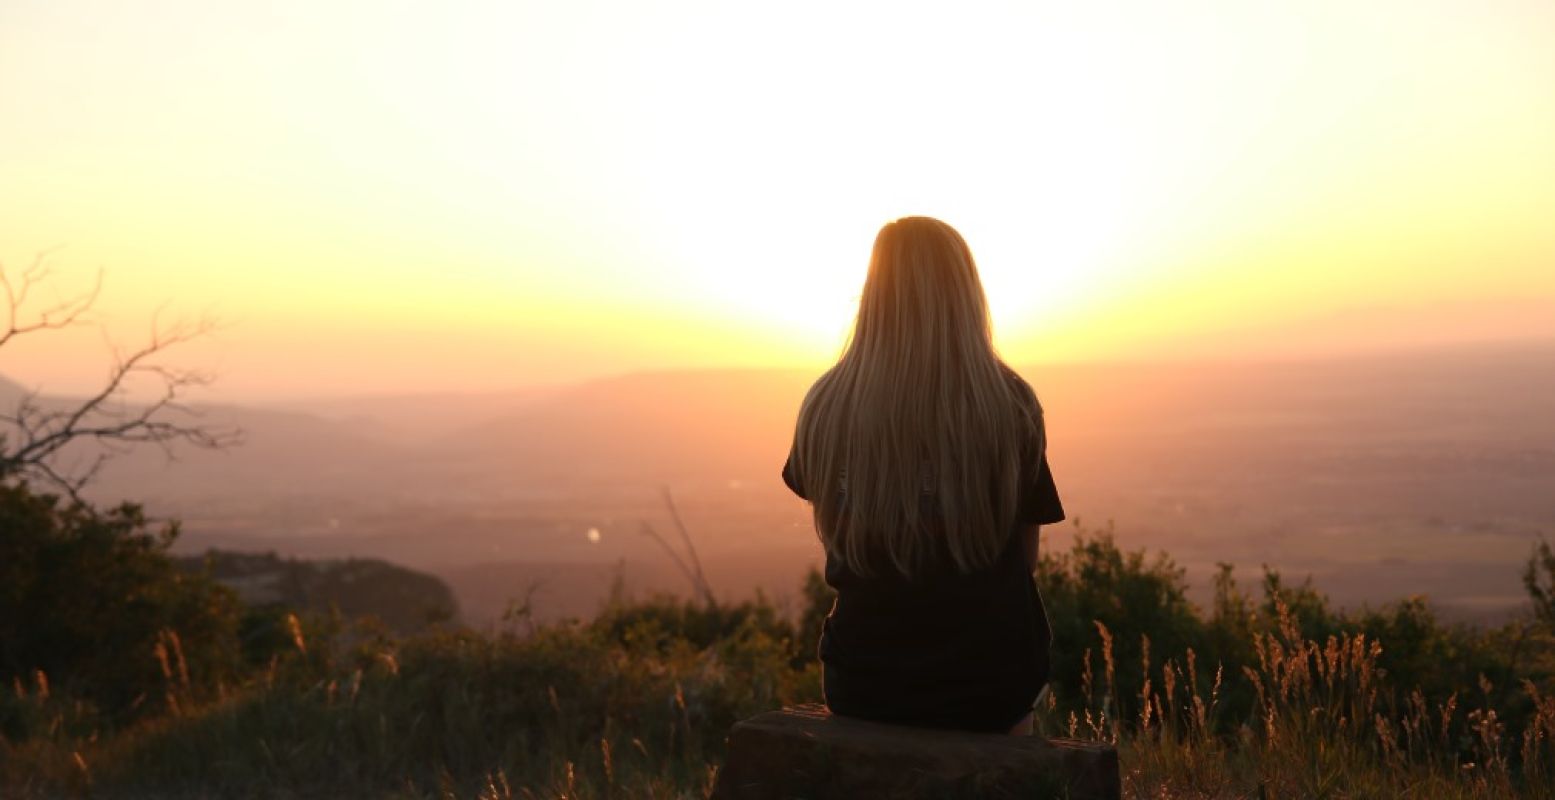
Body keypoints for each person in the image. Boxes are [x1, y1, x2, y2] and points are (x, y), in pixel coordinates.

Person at [781, 216, 1065, 736]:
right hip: (989, 685)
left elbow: (835, 535)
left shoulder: (825, 405)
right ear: (966, 295)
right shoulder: (1012, 406)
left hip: (864, 681)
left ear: (872, 294)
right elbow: (1025, 561)